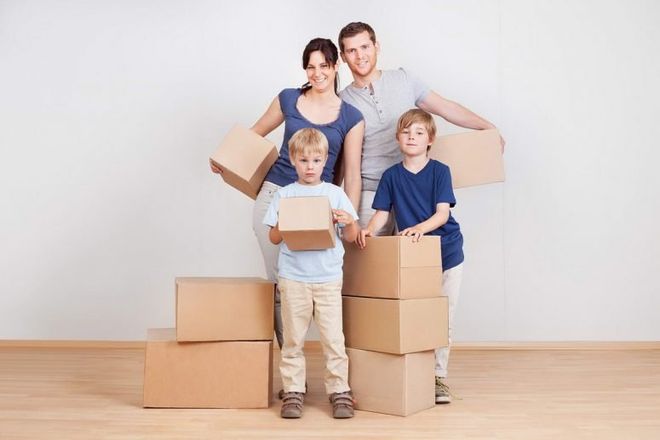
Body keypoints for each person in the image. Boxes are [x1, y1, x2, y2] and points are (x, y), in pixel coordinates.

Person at [210, 38, 364, 348]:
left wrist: (351, 219)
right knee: (281, 283)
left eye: (323, 65)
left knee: (318, 285)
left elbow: (352, 174)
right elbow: (254, 134)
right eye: (310, 66)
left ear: (336, 67)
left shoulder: (351, 117)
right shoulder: (288, 98)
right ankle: (290, 363)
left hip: (320, 205)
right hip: (277, 195)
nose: (317, 73)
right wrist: (225, 157)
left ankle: (316, 357)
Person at [337, 21, 503, 233]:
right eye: (351, 50)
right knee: (368, 261)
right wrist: (345, 210)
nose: (360, 56)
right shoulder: (342, 101)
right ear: (343, 57)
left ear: (376, 46)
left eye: (364, 47)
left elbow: (445, 107)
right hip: (371, 194)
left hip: (413, 189)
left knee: (415, 262)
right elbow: (343, 164)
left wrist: (487, 128)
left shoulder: (404, 79)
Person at [357, 109, 464, 404]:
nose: (412, 137)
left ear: (430, 139)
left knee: (443, 317)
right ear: (397, 138)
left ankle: (438, 378)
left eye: (419, 133)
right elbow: (382, 214)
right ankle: (416, 373)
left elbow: (443, 214)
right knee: (414, 316)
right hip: (414, 258)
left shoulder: (440, 171)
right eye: (406, 132)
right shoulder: (391, 176)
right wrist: (367, 230)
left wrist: (418, 228)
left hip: (447, 252)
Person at [264, 128, 358, 419]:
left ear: (325, 160)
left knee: (333, 338)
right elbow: (274, 238)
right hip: (294, 278)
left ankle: (339, 390)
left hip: (328, 278)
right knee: (293, 339)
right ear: (293, 160)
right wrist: (285, 221)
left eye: (316, 161)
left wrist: (347, 221)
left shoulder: (335, 194)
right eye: (304, 160)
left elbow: (352, 235)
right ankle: (293, 391)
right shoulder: (284, 195)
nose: (310, 167)